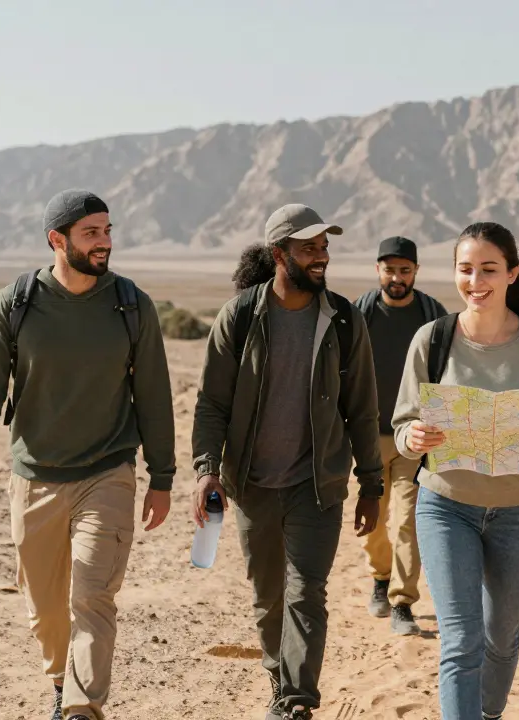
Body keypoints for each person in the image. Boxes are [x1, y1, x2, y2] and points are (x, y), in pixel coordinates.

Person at [0, 189, 176, 720]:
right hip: (35, 476)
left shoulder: (130, 304)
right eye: (91, 233)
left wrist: (162, 476)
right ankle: (61, 680)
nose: (105, 243)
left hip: (109, 471)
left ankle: (81, 707)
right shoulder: (16, 303)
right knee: (46, 609)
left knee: (93, 596)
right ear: (58, 240)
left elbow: (154, 394)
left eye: (107, 230)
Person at [190, 204, 384, 720]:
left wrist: (372, 483)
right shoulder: (241, 315)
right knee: (268, 596)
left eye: (324, 247)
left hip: (315, 484)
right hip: (252, 483)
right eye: (309, 248)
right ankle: (278, 676)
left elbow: (362, 408)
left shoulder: (343, 318)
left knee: (307, 592)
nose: (321, 257)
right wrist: (207, 469)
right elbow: (213, 401)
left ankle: (297, 700)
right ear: (281, 255)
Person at [393, 221, 519, 720]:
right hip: (446, 506)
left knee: (500, 639)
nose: (476, 281)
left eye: (489, 269)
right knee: (461, 640)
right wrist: (410, 438)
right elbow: (403, 423)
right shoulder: (431, 339)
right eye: (466, 269)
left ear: (512, 274)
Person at [352, 236, 447, 635]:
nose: (397, 278)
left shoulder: (432, 314)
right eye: (389, 270)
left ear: (416, 272)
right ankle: (379, 577)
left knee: (408, 520)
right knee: (373, 520)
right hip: (369, 437)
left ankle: (402, 602)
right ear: (378, 270)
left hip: (416, 436)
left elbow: (446, 371)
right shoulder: (360, 313)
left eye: (404, 270)